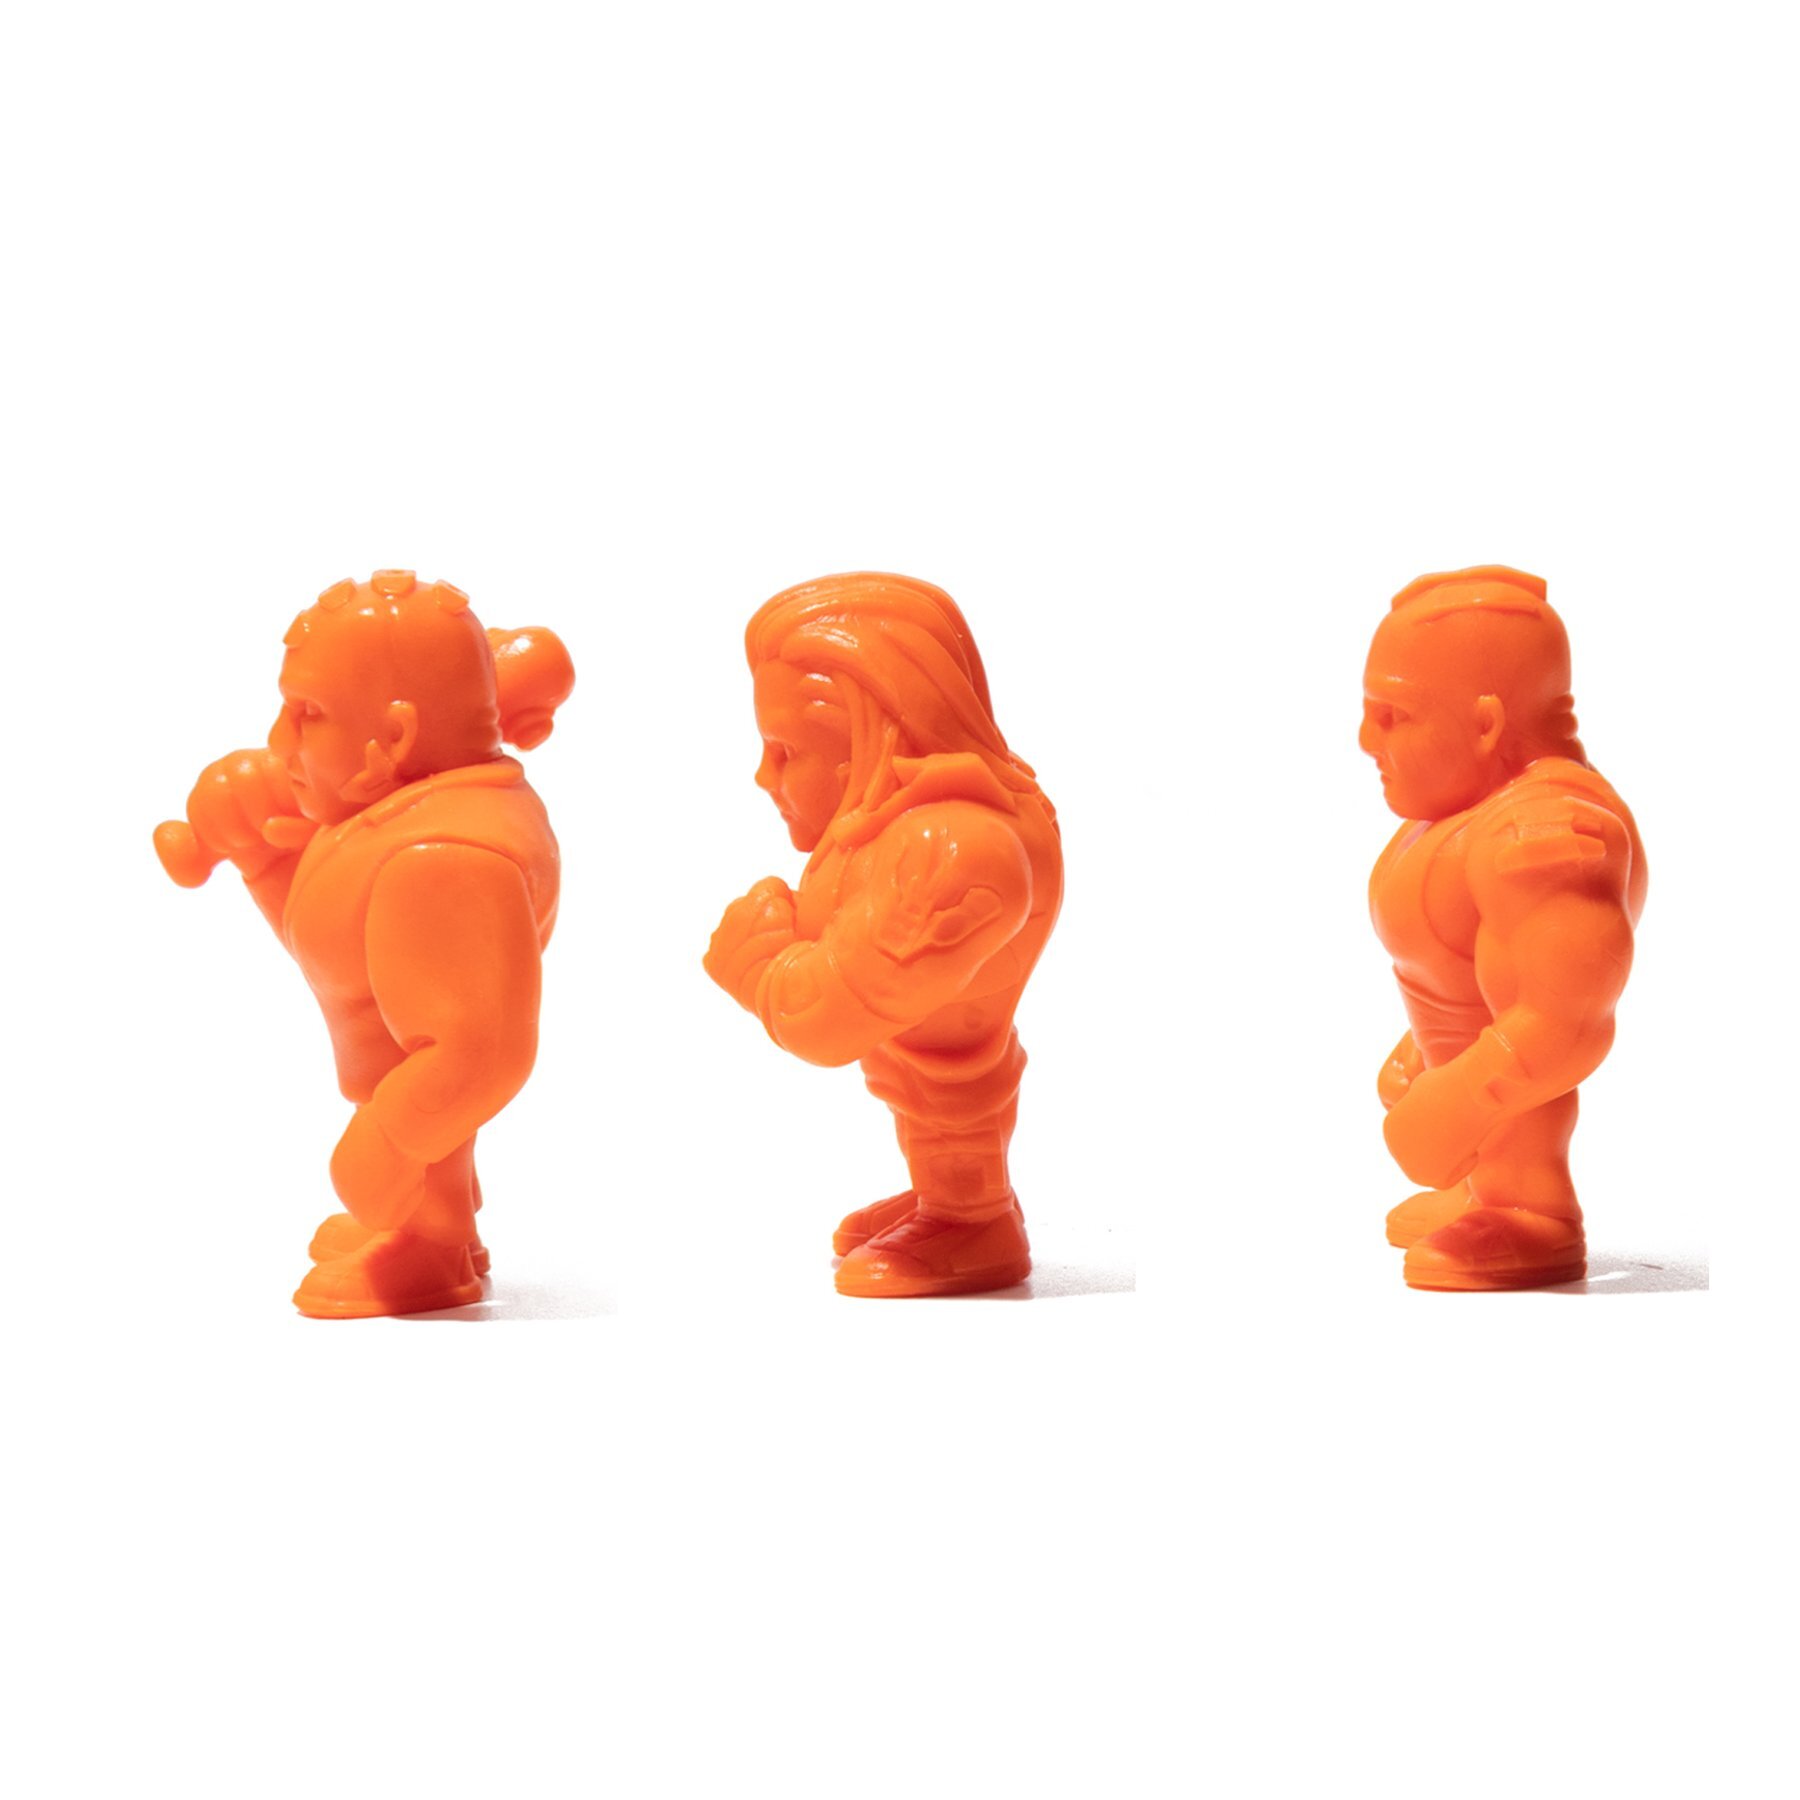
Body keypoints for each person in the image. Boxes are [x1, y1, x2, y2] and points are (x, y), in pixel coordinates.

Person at [155, 569, 573, 1317]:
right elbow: (346, 954)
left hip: (410, 1098)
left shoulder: (443, 860)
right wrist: (267, 860)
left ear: (396, 736)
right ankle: (438, 1223)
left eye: (307, 714)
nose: (279, 741)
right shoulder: (392, 814)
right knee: (418, 1086)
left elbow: (476, 1053)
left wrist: (389, 1141)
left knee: (424, 1091)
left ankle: (436, 1247)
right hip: (403, 1081)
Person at [705, 572, 1064, 1297]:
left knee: (946, 1074)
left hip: (941, 1060)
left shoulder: (953, 850)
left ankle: (974, 1218)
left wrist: (758, 962)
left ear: (877, 735)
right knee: (930, 1070)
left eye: (786, 751)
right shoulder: (902, 825)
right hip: (927, 1050)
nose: (763, 776)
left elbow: (826, 1022)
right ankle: (949, 1197)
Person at [1360, 565, 1647, 1290]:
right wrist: (1425, 1055)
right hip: (1464, 1086)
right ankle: (1483, 1192)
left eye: (1393, 714)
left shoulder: (1542, 837)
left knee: (1521, 1117)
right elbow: (1464, 971)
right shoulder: (1465, 810)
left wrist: (1459, 1102)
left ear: (1486, 724)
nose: (1366, 740)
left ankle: (1533, 1214)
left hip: (1504, 1110)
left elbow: (1563, 1019)